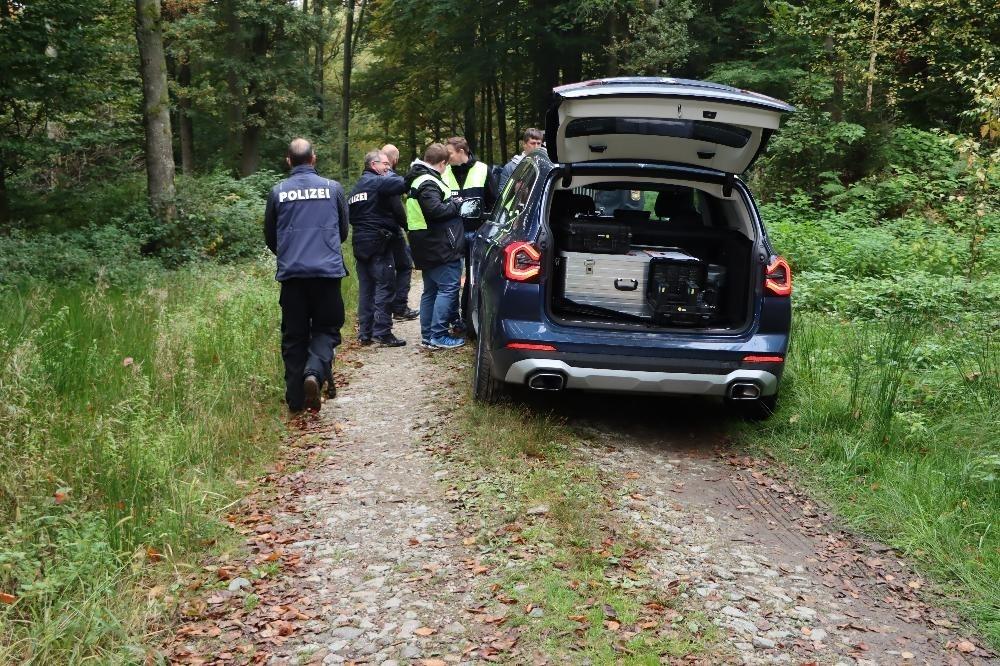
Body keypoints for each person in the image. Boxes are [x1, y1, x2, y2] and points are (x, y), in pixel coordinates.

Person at [264, 138, 348, 413]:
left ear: (289, 161)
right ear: (313, 158)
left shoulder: (278, 192)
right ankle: (314, 373)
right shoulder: (333, 188)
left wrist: (289, 254)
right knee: (327, 329)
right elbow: (343, 230)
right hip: (327, 274)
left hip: (293, 276)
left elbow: (270, 236)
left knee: (294, 337)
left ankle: (296, 401)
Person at [403, 143, 466, 350]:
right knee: (447, 289)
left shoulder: (419, 178)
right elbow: (435, 211)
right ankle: (438, 335)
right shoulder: (428, 182)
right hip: (438, 245)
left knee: (430, 290)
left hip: (426, 244)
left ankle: (428, 335)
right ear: (442, 163)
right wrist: (457, 204)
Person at [348, 149, 408, 347]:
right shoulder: (377, 182)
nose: (388, 168)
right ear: (373, 165)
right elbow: (401, 184)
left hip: (359, 243)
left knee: (366, 289)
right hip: (379, 243)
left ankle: (365, 333)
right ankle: (382, 332)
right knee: (385, 286)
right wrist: (416, 172)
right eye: (385, 164)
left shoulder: (356, 188)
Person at [443, 136, 498, 334]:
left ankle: (468, 319)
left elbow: (494, 202)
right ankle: (451, 320)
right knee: (450, 279)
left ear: (461, 151)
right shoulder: (444, 171)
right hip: (451, 233)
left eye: (449, 153)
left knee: (473, 278)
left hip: (476, 232)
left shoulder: (483, 169)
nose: (446, 157)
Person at [381, 143, 419, 321]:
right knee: (404, 265)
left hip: (377, 231)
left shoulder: (373, 176)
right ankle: (399, 306)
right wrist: (407, 227)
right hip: (392, 229)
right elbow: (397, 208)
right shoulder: (392, 179)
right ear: (394, 159)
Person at [497, 128, 544, 193]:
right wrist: (514, 190)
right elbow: (501, 194)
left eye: (538, 143)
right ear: (524, 144)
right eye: (533, 143)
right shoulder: (511, 167)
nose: (536, 147)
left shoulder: (545, 165)